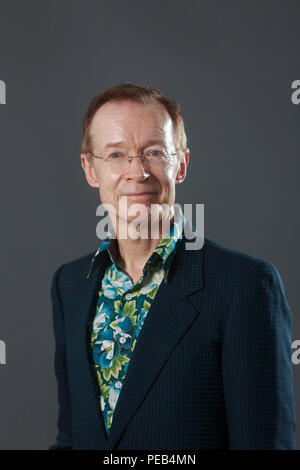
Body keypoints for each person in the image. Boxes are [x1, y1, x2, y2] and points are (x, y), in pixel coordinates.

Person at [49, 83, 295, 450]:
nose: (137, 171)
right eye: (116, 155)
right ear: (90, 169)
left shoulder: (244, 285)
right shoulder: (70, 285)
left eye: (153, 152)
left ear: (180, 165)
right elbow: (71, 439)